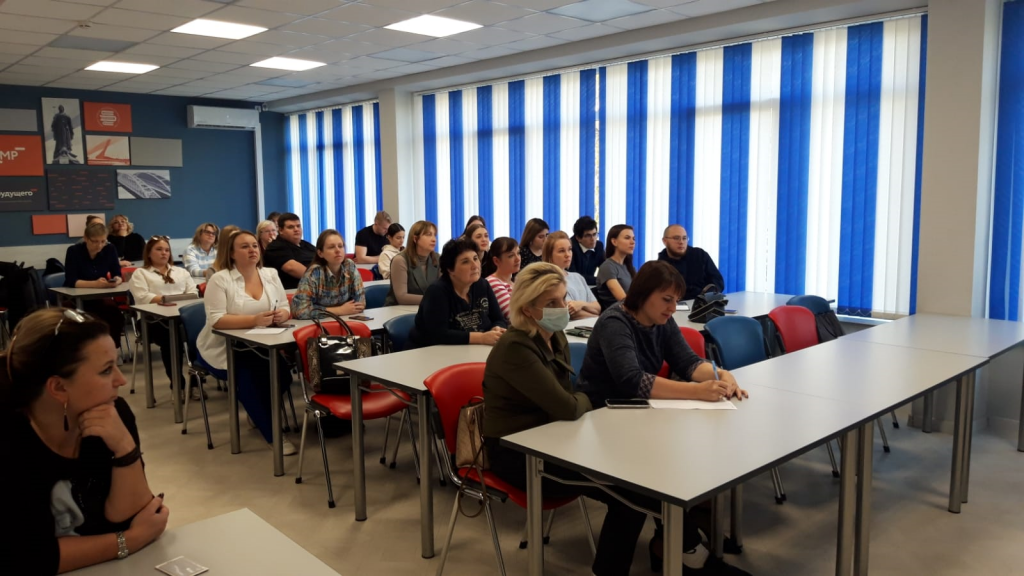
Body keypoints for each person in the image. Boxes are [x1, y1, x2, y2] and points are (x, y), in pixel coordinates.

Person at [483, 263, 667, 576]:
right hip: (516, 452)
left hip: (556, 437)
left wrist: (577, 400)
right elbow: (568, 405)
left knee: (644, 474)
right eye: (551, 302)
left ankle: (679, 548)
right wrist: (585, 399)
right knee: (633, 493)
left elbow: (567, 402)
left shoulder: (555, 336)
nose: (562, 307)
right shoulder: (515, 347)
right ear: (527, 309)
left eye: (563, 298)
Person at [578, 261, 749, 575]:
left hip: (641, 415)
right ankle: (686, 549)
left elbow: (687, 362)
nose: (673, 308)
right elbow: (632, 380)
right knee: (647, 480)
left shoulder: (662, 320)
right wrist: (696, 392)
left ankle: (679, 545)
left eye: (675, 300)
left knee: (690, 460)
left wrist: (720, 374)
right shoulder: (615, 321)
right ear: (643, 295)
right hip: (603, 418)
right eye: (666, 299)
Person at [0, 308, 169, 574]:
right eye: (106, 370)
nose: (121, 380)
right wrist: (129, 541)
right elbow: (29, 557)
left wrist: (125, 448)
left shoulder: (113, 415)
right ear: (58, 388)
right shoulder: (11, 442)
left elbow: (134, 517)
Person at [197, 230, 296, 454]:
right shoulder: (220, 279)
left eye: (254, 245)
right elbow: (217, 321)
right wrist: (254, 320)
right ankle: (273, 434)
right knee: (248, 380)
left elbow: (284, 305)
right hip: (226, 347)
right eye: (244, 246)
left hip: (263, 344)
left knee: (282, 376)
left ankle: (258, 413)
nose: (252, 250)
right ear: (231, 253)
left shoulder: (270, 274)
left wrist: (282, 314)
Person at [129, 236, 199, 397]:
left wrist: (172, 300)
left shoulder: (181, 272)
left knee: (196, 336)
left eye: (167, 250)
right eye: (159, 249)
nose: (164, 253)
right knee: (171, 338)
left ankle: (196, 383)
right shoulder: (141, 273)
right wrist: (170, 299)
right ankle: (177, 385)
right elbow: (143, 297)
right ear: (149, 253)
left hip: (181, 317)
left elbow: (193, 293)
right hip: (151, 320)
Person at [409, 238, 506, 348]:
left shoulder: (482, 285)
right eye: (465, 262)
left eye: (475, 258)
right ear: (450, 269)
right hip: (431, 352)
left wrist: (496, 328)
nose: (475, 265)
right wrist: (481, 337)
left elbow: (499, 319)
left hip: (474, 349)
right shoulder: (437, 291)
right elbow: (438, 334)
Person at [63, 222, 125, 352]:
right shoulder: (74, 251)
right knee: (84, 320)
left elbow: (117, 273)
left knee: (115, 314)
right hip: (76, 298)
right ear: (86, 238)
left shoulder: (110, 249)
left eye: (103, 241)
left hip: (98, 297)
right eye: (95, 241)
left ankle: (112, 350)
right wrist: (95, 284)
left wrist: (116, 281)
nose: (99, 245)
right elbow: (71, 281)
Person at [291, 229, 366, 320]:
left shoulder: (349, 266)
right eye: (331, 247)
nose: (338, 250)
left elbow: (360, 303)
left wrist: (345, 310)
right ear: (320, 253)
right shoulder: (314, 273)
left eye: (340, 246)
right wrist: (339, 310)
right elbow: (300, 311)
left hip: (347, 320)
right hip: (320, 324)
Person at [658, 224, 726, 300]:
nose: (681, 242)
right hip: (677, 304)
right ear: (665, 241)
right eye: (676, 238)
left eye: (684, 238)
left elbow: (717, 281)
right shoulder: (660, 265)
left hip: (703, 302)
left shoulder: (700, 255)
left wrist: (707, 297)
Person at [543, 231, 600, 319]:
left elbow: (597, 308)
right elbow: (571, 313)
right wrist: (597, 316)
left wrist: (581, 304)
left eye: (569, 249)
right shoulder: (549, 280)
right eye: (561, 251)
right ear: (550, 255)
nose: (567, 255)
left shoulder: (578, 277)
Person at [385, 220, 440, 306]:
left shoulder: (437, 258)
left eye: (434, 235)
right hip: (399, 310)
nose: (434, 239)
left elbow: (443, 289)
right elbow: (402, 297)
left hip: (428, 308)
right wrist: (435, 299)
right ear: (415, 239)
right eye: (428, 235)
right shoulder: (400, 260)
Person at [262, 213, 316, 290]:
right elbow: (292, 268)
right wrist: (323, 280)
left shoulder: (306, 245)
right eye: (291, 227)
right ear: (281, 230)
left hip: (315, 288)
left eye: (298, 226)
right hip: (292, 291)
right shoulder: (275, 247)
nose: (296, 229)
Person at [595, 224, 636, 307]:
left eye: (633, 238)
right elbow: (623, 300)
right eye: (627, 238)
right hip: (617, 312)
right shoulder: (608, 267)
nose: (632, 242)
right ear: (614, 242)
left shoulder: (629, 267)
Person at [483, 237, 520, 323]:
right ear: (496, 261)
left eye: (518, 253)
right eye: (511, 256)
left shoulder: (515, 282)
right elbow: (513, 315)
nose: (518, 259)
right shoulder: (493, 282)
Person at [570, 216, 605, 286]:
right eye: (588, 236)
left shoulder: (598, 246)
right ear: (578, 238)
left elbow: (606, 268)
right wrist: (600, 280)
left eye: (594, 234)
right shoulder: (570, 248)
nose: (593, 239)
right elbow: (574, 277)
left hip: (590, 286)